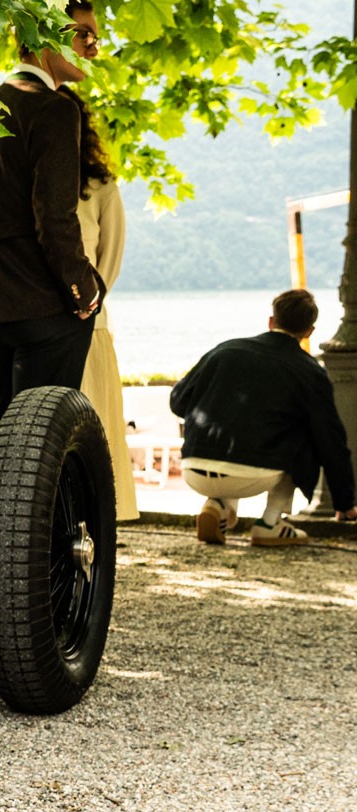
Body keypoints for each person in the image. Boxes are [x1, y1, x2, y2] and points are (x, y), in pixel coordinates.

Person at [0, 5, 104, 434]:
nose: (94, 51)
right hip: (48, 309)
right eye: (85, 36)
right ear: (46, 37)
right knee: (41, 449)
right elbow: (54, 219)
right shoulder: (56, 110)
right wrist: (84, 291)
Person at [170, 289, 357, 546]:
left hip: (193, 468)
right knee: (308, 429)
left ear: (271, 321)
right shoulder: (309, 371)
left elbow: (178, 402)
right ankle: (269, 523)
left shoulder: (224, 350)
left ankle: (218, 505)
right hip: (254, 474)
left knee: (236, 430)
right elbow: (331, 441)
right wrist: (345, 502)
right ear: (309, 332)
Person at [64, 89, 138, 520]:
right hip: (39, 325)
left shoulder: (101, 188)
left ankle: (93, 516)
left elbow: (110, 259)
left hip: (89, 327)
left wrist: (88, 301)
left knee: (90, 426)